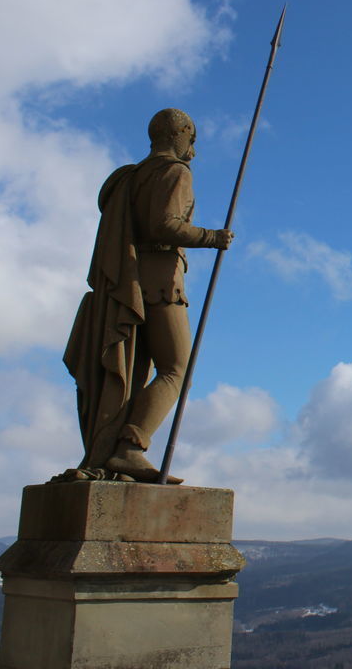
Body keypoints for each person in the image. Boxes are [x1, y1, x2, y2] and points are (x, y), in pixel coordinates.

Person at [63, 108, 233, 483]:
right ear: (181, 134)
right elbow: (163, 225)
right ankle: (130, 447)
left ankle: (111, 452)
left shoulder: (130, 178)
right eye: (193, 139)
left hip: (128, 281)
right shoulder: (175, 172)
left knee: (135, 373)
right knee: (177, 369)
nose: (194, 149)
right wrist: (213, 238)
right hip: (158, 284)